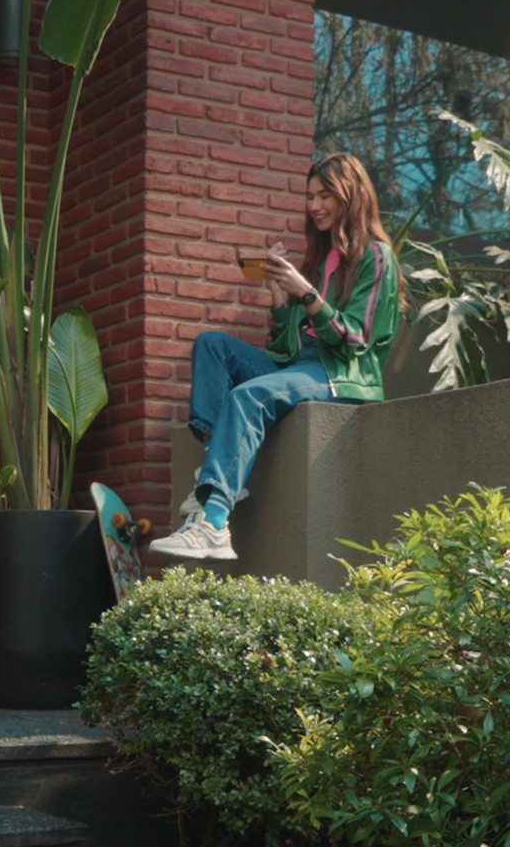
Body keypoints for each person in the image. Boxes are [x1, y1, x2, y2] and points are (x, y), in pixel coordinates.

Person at [148, 153, 404, 561]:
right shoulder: (319, 262)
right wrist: (281, 299)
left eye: (324, 195)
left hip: (341, 373)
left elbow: (355, 340)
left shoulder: (376, 256)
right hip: (303, 364)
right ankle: (219, 456)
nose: (314, 205)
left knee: (248, 396)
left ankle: (213, 526)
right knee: (211, 344)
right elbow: (284, 348)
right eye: (310, 196)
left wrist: (307, 294)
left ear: (350, 195)